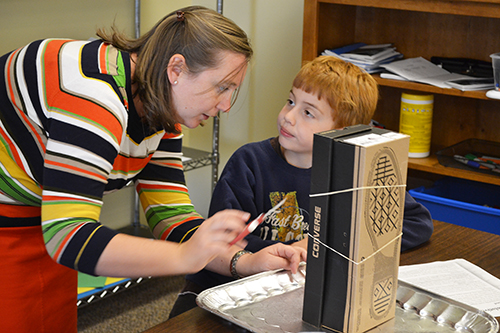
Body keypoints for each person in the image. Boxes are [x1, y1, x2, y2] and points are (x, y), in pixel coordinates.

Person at [0, 6, 306, 333]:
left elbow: (170, 216)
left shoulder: (161, 107)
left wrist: (244, 262)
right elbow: (68, 237)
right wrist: (185, 257)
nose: (226, 105)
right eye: (222, 87)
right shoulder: (93, 95)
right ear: (176, 69)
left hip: (39, 212)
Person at [169, 55, 434, 317]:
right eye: (290, 102)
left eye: (308, 113)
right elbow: (223, 242)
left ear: (342, 131)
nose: (288, 117)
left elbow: (416, 222)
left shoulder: (356, 173)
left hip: (294, 295)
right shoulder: (249, 162)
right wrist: (288, 253)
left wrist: (325, 243)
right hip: (224, 288)